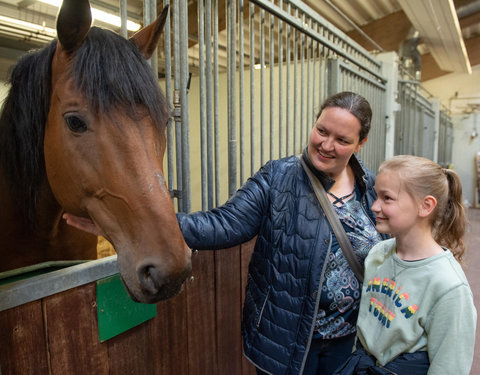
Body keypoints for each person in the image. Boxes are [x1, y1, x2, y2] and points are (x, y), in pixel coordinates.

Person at [63, 91, 385, 375]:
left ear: (360, 144)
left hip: (349, 342)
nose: (326, 145)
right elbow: (223, 225)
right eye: (321, 131)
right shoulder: (279, 177)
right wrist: (134, 222)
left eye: (342, 140)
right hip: (284, 341)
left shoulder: (371, 188)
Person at [333, 155, 477, 375]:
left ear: (425, 206)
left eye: (387, 198)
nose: (374, 206)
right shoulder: (379, 254)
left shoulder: (449, 286)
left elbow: (450, 366)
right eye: (376, 195)